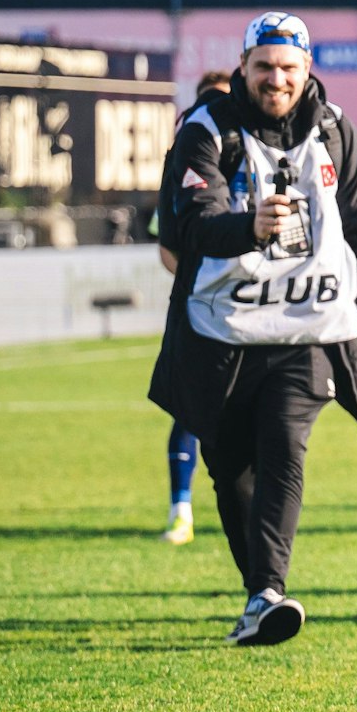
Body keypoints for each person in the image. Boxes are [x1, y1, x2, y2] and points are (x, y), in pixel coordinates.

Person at [148, 12, 357, 645]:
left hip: (310, 328)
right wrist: (246, 227)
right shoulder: (206, 128)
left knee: (285, 443)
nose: (275, 79)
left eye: (288, 68)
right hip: (223, 330)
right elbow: (190, 222)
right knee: (231, 471)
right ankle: (261, 592)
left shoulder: (336, 130)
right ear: (244, 68)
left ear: (307, 69)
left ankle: (268, 592)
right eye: (264, 67)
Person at [152, 70, 234, 545]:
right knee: (189, 408)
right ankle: (180, 509)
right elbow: (167, 250)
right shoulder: (183, 160)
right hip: (200, 306)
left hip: (254, 309)